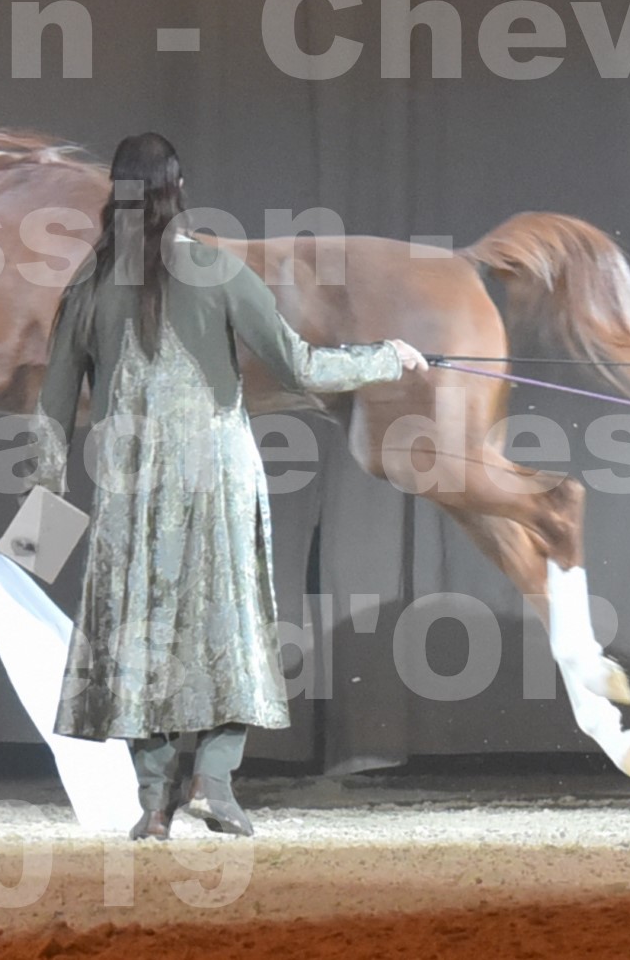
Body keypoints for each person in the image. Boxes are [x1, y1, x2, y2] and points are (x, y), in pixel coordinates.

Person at [25, 133, 427, 841]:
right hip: (217, 480)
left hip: (129, 492)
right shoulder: (219, 270)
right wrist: (388, 357)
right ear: (178, 187)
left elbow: (52, 415)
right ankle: (215, 784)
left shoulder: (87, 288)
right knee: (230, 630)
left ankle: (154, 802)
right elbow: (301, 367)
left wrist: (38, 525)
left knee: (138, 643)